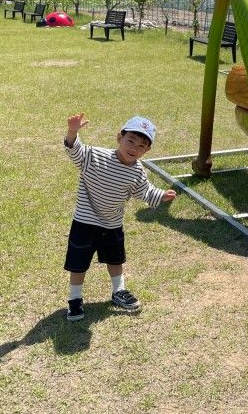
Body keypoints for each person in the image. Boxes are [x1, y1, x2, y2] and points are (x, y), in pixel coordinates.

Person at [62, 113, 176, 321]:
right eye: (130, 140)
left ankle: (119, 291)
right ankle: (75, 299)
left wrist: (161, 196)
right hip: (85, 222)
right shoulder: (95, 156)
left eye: (141, 145)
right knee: (78, 263)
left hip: (112, 223)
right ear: (119, 138)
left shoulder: (137, 171)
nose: (134, 148)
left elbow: (144, 190)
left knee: (116, 260)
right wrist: (72, 131)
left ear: (147, 150)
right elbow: (75, 151)